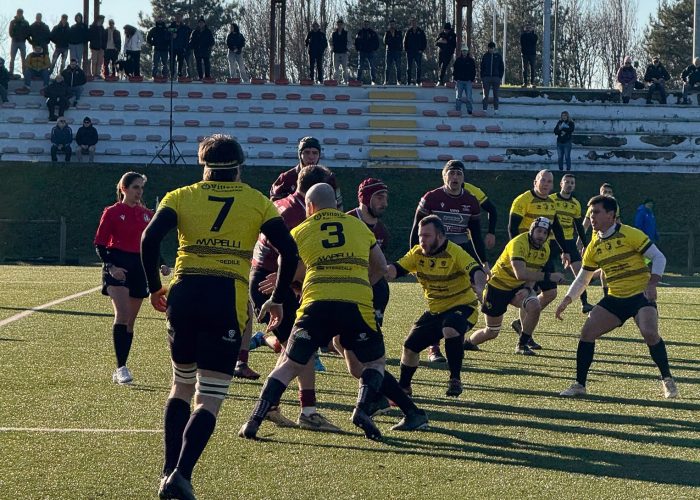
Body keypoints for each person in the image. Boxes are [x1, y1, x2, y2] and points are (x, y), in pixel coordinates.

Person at [140, 135, 299, 499]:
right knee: (209, 395)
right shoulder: (256, 200)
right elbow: (288, 251)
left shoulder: (181, 195)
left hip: (184, 291)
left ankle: (166, 471)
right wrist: (276, 299)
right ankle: (182, 474)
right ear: (240, 167)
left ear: (203, 165)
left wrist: (153, 288)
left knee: (181, 384)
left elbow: (149, 240)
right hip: (224, 295)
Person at [239, 183, 415, 442]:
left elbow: (286, 265)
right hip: (356, 303)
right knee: (374, 363)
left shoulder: (300, 230)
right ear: (336, 204)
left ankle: (254, 418)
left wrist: (285, 288)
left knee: (289, 364)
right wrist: (362, 283)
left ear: (310, 206)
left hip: (316, 303)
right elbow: (380, 266)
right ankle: (363, 409)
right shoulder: (359, 227)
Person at [556, 195, 677, 399]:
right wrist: (567, 299)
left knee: (650, 333)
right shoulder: (594, 245)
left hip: (640, 294)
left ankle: (668, 380)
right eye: (590, 213)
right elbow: (582, 279)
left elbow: (659, 257)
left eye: (596, 212)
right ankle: (579, 385)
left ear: (611, 215)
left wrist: (652, 283)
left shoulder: (630, 234)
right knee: (587, 333)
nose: (591, 217)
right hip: (616, 298)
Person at [249, 165, 340, 431]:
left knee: (296, 348)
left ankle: (275, 406)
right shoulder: (298, 213)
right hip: (274, 282)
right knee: (304, 346)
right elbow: (288, 254)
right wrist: (284, 281)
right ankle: (307, 411)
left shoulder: (285, 203)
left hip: (274, 278)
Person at [389, 215, 486, 396]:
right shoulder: (417, 254)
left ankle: (455, 379)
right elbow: (395, 270)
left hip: (464, 307)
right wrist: (378, 271)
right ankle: (404, 387)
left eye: (427, 236)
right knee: (409, 347)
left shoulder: (454, 252)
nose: (422, 240)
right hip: (436, 311)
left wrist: (480, 289)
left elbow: (477, 270)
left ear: (440, 236)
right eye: (420, 236)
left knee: (450, 328)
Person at [410, 161, 486, 363]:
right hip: (435, 253)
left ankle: (455, 336)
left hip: (460, 252)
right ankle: (433, 347)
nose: (455, 177)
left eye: (459, 174)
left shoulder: (471, 201)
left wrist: (483, 262)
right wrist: (415, 256)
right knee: (437, 298)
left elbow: (476, 235)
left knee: (465, 295)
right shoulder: (431, 198)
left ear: (464, 178)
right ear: (444, 177)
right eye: (451, 173)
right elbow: (416, 228)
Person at [94, 172, 160, 385]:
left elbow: (151, 245)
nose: (139, 192)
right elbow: (100, 243)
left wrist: (162, 263)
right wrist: (111, 266)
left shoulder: (147, 214)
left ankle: (121, 365)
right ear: (124, 189)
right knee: (122, 315)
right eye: (135, 187)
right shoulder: (112, 212)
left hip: (139, 267)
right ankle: (121, 367)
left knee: (130, 322)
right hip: (118, 265)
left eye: (141, 188)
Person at [467, 217, 563, 355]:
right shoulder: (518, 243)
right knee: (491, 331)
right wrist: (549, 276)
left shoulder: (545, 249)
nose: (541, 235)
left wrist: (527, 288)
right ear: (531, 230)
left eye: (545, 233)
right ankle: (468, 343)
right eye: (539, 231)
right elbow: (521, 273)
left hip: (517, 288)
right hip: (497, 287)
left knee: (534, 306)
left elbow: (533, 271)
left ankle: (522, 344)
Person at [508, 169, 567, 348]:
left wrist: (567, 250)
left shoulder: (552, 203)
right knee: (529, 292)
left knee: (551, 293)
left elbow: (557, 228)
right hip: (525, 254)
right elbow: (512, 228)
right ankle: (526, 335)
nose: (546, 184)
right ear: (535, 181)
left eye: (549, 181)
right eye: (543, 180)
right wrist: (517, 253)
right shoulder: (522, 200)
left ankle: (522, 324)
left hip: (544, 253)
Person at [348, 178, 390, 327]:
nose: (384, 203)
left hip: (369, 283)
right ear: (365, 198)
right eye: (379, 197)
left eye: (385, 198)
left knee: (381, 288)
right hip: (345, 282)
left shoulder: (382, 231)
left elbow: (379, 266)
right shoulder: (347, 222)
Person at [550, 174, 592, 313]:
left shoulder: (575, 203)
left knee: (580, 272)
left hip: (568, 241)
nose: (569, 185)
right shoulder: (552, 200)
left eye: (572, 183)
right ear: (561, 184)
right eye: (566, 182)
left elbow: (579, 226)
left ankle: (585, 303)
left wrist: (585, 245)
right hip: (551, 240)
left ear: (574, 186)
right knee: (543, 270)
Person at [269, 136, 343, 209]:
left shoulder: (328, 178)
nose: (311, 157)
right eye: (307, 152)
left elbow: (338, 206)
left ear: (319, 155)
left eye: (315, 153)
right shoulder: (286, 178)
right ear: (300, 155)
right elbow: (275, 206)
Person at [480, 41, 504, 113]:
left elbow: (501, 68)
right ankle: (485, 109)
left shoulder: (498, 56)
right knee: (485, 95)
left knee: (496, 94)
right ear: (488, 48)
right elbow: (482, 67)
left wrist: (500, 77)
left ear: (494, 48)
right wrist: (483, 77)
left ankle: (496, 110)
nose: (491, 49)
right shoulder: (485, 56)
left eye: (492, 48)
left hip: (496, 78)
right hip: (486, 78)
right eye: (490, 48)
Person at [354, 20, 378, 85]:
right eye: (365, 24)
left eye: (367, 24)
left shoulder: (372, 33)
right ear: (363, 25)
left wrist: (374, 49)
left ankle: (373, 80)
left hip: (370, 52)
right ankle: (358, 80)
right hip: (362, 52)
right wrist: (358, 49)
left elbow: (377, 41)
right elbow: (356, 41)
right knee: (360, 66)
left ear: (369, 25)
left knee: (372, 66)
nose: (366, 25)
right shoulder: (360, 32)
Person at [403, 17, 426, 85]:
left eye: (415, 22)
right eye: (412, 22)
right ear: (411, 23)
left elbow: (424, 41)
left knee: (418, 67)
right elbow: (405, 41)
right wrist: (406, 49)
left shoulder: (421, 31)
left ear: (417, 23)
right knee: (409, 67)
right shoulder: (408, 31)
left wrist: (421, 50)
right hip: (410, 52)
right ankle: (408, 81)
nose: (414, 24)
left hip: (418, 52)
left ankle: (418, 81)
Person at [453, 47, 476, 115]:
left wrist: (472, 79)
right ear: (461, 52)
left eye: (465, 51)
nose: (464, 52)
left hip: (468, 81)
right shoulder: (458, 60)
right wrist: (456, 78)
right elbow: (455, 70)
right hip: (459, 81)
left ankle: (469, 110)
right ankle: (458, 110)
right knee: (458, 97)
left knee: (469, 97)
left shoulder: (471, 60)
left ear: (467, 52)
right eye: (463, 51)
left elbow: (473, 70)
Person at [8, 9, 30, 77]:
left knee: (23, 58)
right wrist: (14, 36)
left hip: (22, 42)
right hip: (14, 42)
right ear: (17, 13)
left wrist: (24, 38)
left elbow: (28, 32)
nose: (19, 14)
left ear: (22, 14)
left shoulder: (25, 22)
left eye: (21, 13)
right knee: (12, 58)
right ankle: (11, 73)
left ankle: (24, 73)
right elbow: (10, 31)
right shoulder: (13, 22)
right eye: (18, 13)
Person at [170, 14, 192, 78]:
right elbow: (166, 36)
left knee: (180, 62)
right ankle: (172, 74)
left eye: (179, 17)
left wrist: (187, 46)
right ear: (175, 18)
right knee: (172, 62)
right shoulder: (171, 27)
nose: (178, 19)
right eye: (176, 17)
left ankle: (180, 74)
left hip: (181, 48)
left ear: (181, 19)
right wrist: (171, 36)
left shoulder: (185, 28)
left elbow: (190, 36)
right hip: (172, 48)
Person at [383, 19, 402, 85]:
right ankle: (386, 80)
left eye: (393, 24)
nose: (392, 25)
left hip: (397, 51)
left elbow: (400, 42)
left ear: (395, 25)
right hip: (389, 51)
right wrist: (392, 41)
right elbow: (385, 42)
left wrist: (399, 49)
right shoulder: (387, 33)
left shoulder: (398, 33)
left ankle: (399, 81)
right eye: (391, 24)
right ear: (389, 25)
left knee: (398, 67)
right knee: (388, 67)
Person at [331, 19, 350, 84]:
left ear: (343, 25)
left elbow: (350, 42)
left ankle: (345, 81)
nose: (339, 25)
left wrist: (347, 48)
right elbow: (330, 42)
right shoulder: (333, 33)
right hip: (336, 53)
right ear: (337, 25)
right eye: (338, 24)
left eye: (341, 24)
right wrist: (331, 48)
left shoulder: (346, 33)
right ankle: (336, 81)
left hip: (344, 53)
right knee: (336, 69)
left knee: (345, 68)